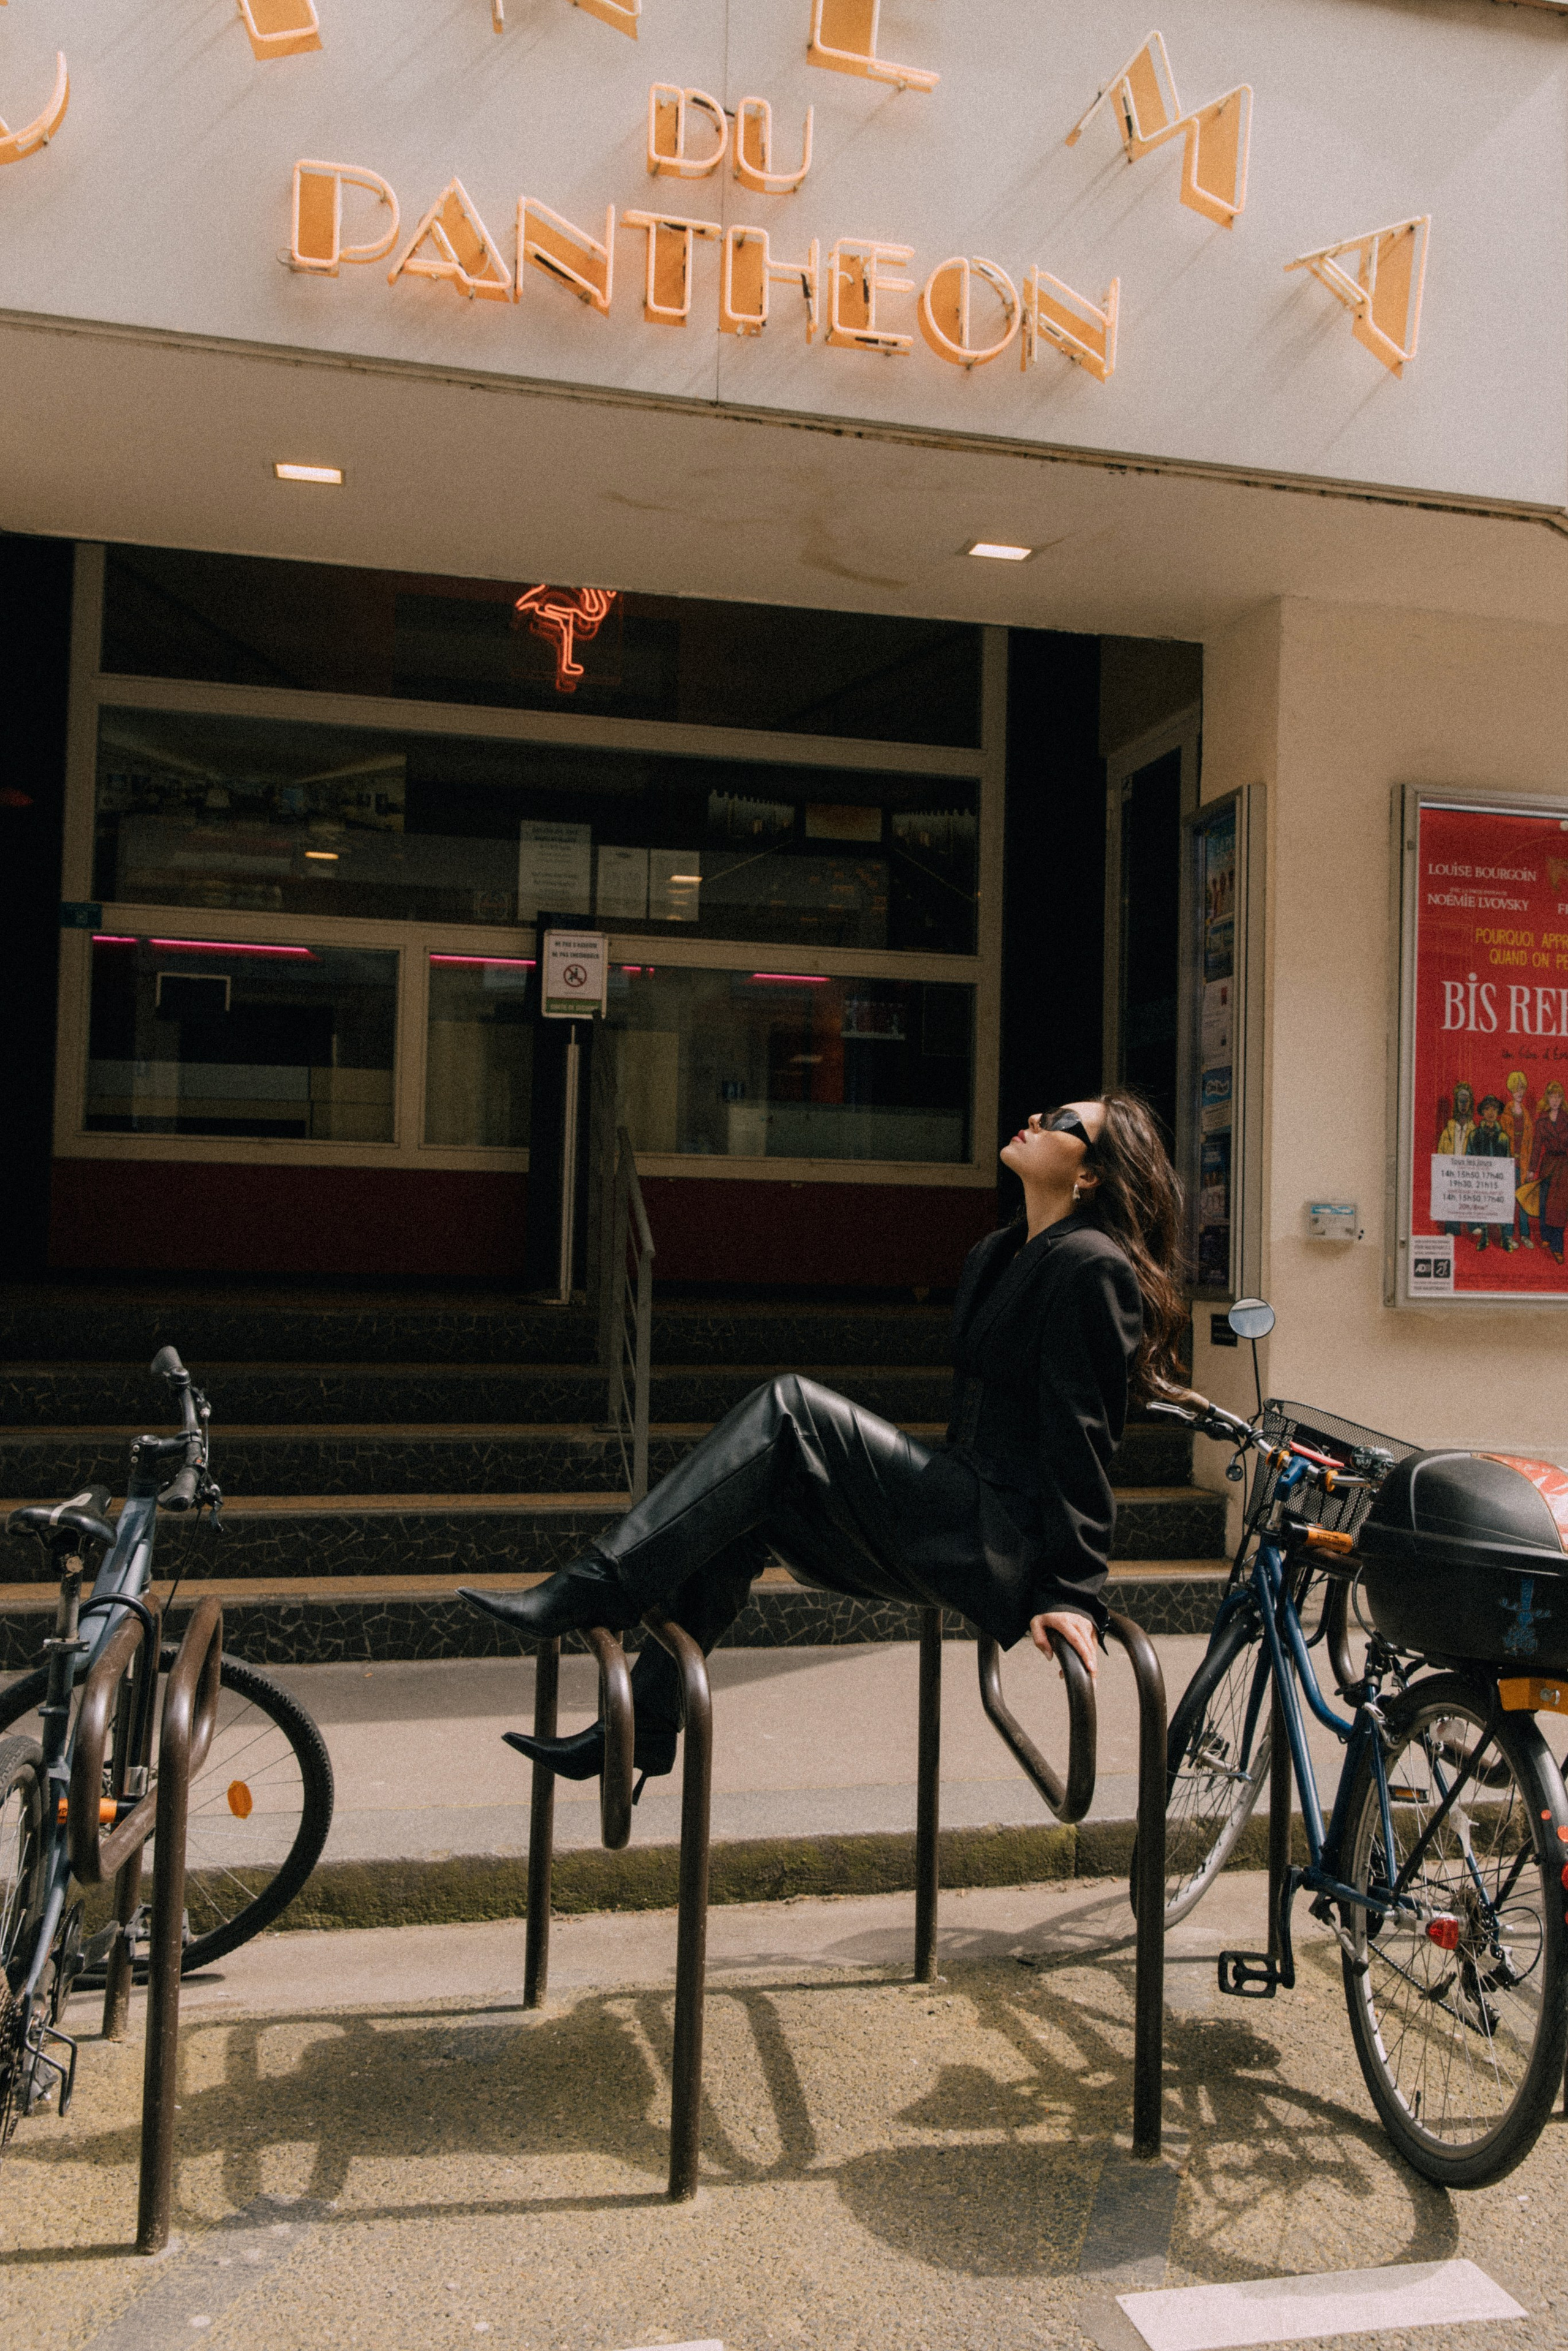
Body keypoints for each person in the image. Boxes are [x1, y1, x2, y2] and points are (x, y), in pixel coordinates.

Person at [461, 1092, 1186, 1786]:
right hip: (958, 1504)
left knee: (791, 1406)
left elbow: (1083, 1438)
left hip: (998, 1535)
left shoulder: (1092, 1265)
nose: (1034, 1116)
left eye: (1062, 1120)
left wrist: (1072, 1592)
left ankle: (600, 1586)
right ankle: (645, 1720)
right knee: (752, 1499)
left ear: (1090, 1173)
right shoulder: (999, 1254)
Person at [1466, 1096, 1514, 1252]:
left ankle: (1504, 1238)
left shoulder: (1503, 1137)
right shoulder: (1475, 1136)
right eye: (1488, 1109)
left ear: (1498, 1112)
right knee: (1483, 1207)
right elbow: (1469, 1158)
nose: (1491, 1112)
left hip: (1499, 1180)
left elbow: (1507, 1162)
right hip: (1481, 1180)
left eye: (1494, 1109)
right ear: (1483, 1112)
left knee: (1502, 1206)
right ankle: (1484, 1237)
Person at [1529, 1081, 1568, 1266]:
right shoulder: (1542, 1121)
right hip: (1547, 1166)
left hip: (1564, 1167)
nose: (1555, 1100)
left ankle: (1558, 1247)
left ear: (1562, 1099)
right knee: (1544, 1203)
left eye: (1558, 1097)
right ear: (1548, 1099)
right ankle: (1545, 1235)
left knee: (1560, 1208)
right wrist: (1531, 1169)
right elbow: (1537, 1147)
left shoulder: (1567, 1119)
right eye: (1552, 1097)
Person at [1503, 1073, 1535, 1247]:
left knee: (1523, 1201)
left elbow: (1530, 1143)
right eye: (1516, 1089)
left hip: (1522, 1166)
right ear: (1511, 1091)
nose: (1519, 1092)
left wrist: (1531, 1168)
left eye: (1522, 1089)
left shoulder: (1527, 1115)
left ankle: (1525, 1235)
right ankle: (1508, 1236)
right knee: (1509, 1200)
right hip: (1509, 1165)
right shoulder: (1506, 1113)